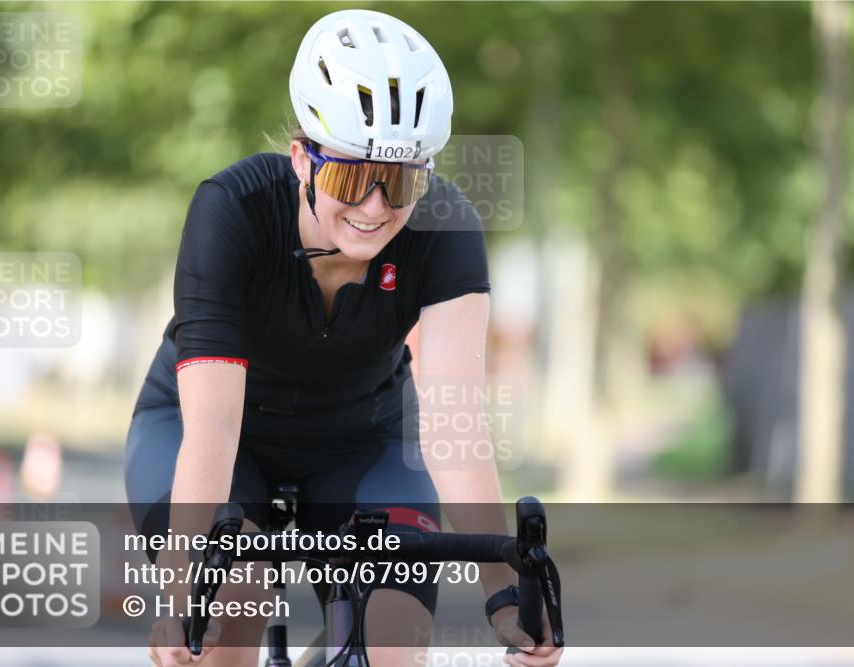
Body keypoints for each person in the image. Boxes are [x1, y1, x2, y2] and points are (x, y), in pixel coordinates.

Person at [125, 9, 562, 667]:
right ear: (303, 158)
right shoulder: (231, 210)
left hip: (363, 443)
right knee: (233, 602)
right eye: (353, 177)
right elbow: (213, 430)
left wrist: (504, 591)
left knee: (392, 642)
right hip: (212, 435)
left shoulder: (447, 227)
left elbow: (454, 422)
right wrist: (184, 585)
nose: (376, 207)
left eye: (404, 180)